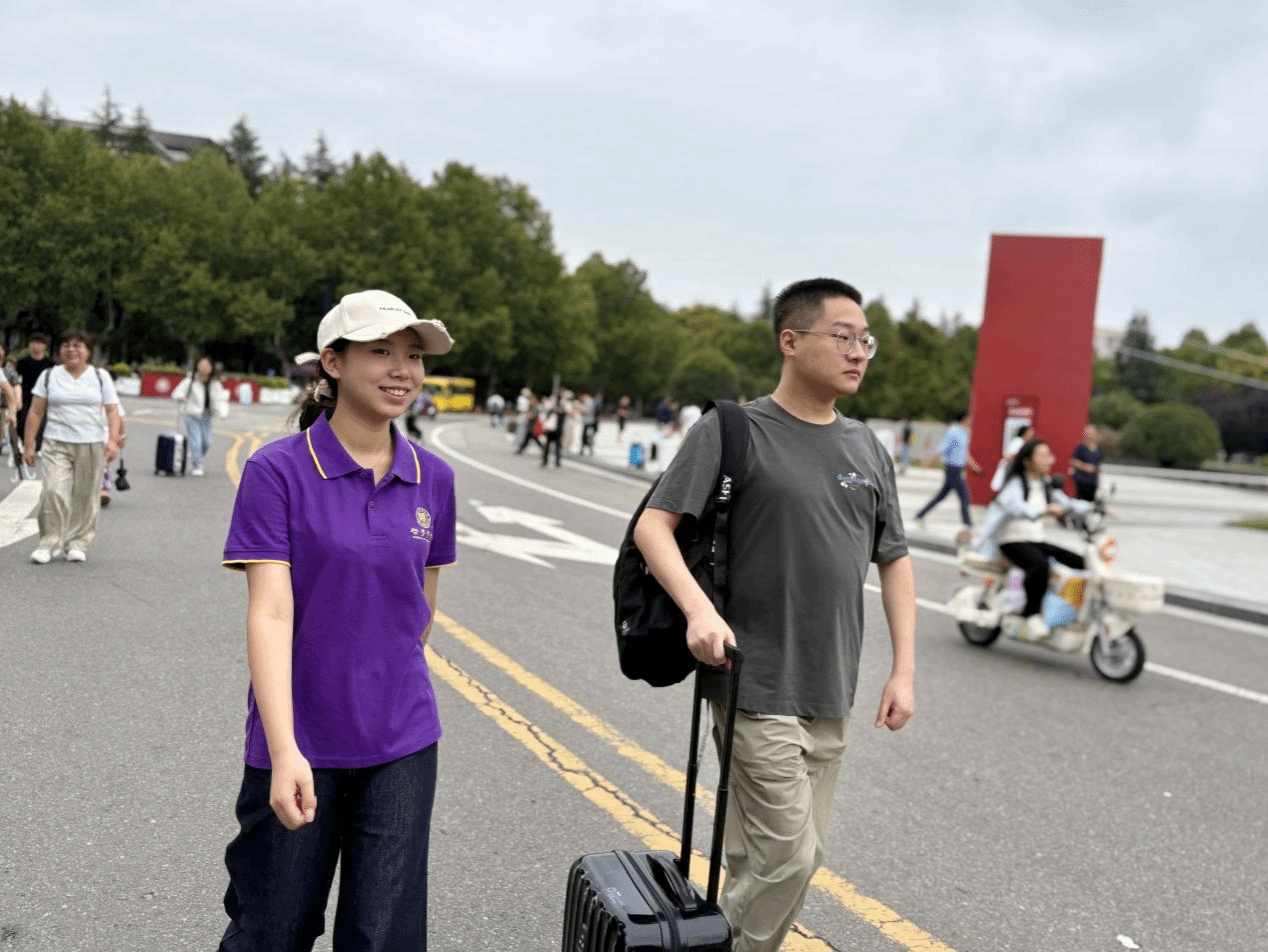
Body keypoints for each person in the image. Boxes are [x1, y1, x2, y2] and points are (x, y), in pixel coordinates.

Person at [633, 277, 916, 952]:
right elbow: (653, 527)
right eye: (843, 337)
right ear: (791, 341)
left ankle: (712, 941)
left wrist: (904, 670)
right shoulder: (733, 430)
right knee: (790, 859)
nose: (859, 352)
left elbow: (895, 558)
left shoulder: (867, 448)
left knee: (768, 861)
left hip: (831, 687)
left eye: (866, 340)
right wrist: (699, 612)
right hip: (753, 682)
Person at [217, 289, 457, 952]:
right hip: (299, 738)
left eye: (414, 355)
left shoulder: (434, 479)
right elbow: (270, 612)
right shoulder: (277, 471)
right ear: (332, 361)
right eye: (381, 351)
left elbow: (421, 611)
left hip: (403, 740)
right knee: (273, 931)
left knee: (384, 938)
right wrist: (285, 749)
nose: (402, 370)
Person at [973, 438, 1091, 641]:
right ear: (1027, 461)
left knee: (1080, 561)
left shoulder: (1045, 484)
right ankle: (1031, 614)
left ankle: (1066, 611)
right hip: (1011, 541)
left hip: (1034, 540)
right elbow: (1019, 508)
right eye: (1042, 455)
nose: (1048, 460)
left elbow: (1068, 503)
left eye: (1049, 455)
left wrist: (1094, 508)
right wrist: (1045, 509)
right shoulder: (1014, 485)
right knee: (1040, 565)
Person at [22, 329, 122, 563]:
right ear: (59, 350)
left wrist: (112, 440)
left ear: (88, 351)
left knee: (86, 496)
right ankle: (48, 542)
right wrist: (28, 445)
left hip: (91, 443)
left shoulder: (100, 376)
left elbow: (112, 409)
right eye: (66, 345)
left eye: (78, 345)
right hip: (56, 441)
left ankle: (77, 542)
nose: (71, 350)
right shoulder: (49, 375)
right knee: (53, 490)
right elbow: (35, 411)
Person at [914, 408, 983, 529]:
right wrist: (929, 461)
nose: (971, 420)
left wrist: (974, 466)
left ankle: (920, 515)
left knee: (941, 496)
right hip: (952, 469)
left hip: (958, 469)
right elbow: (942, 448)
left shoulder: (963, 432)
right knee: (964, 496)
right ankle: (967, 523)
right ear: (964, 419)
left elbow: (964, 452)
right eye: (969, 418)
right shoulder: (953, 431)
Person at [172, 357, 229, 477]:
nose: (204, 367)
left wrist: (223, 413)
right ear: (197, 366)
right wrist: (182, 397)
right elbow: (176, 393)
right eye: (201, 365)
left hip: (207, 415)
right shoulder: (191, 380)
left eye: (207, 365)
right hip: (192, 415)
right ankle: (197, 466)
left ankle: (196, 456)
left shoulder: (215, 383)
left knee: (207, 442)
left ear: (211, 368)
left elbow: (220, 399)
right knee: (196, 442)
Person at [15, 332, 54, 463]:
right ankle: (25, 443)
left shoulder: (50, 364)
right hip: (26, 396)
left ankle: (37, 446)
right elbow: (17, 380)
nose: (37, 346)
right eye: (34, 343)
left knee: (42, 423)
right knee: (22, 421)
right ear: (29, 345)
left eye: (40, 343)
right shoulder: (22, 363)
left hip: (44, 397)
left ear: (45, 346)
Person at [990, 423, 1033, 493]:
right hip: (1009, 468)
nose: (1031, 435)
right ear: (1024, 433)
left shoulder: (1023, 443)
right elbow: (1008, 456)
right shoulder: (1018, 442)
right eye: (1029, 433)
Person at [1070, 424, 1104, 502]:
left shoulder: (1099, 448)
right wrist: (1085, 467)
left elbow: (1100, 462)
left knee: (1091, 502)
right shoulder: (1081, 448)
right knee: (1081, 501)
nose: (1089, 435)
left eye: (1091, 433)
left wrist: (1098, 469)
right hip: (1081, 481)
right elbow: (1073, 461)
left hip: (1093, 481)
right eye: (1088, 433)